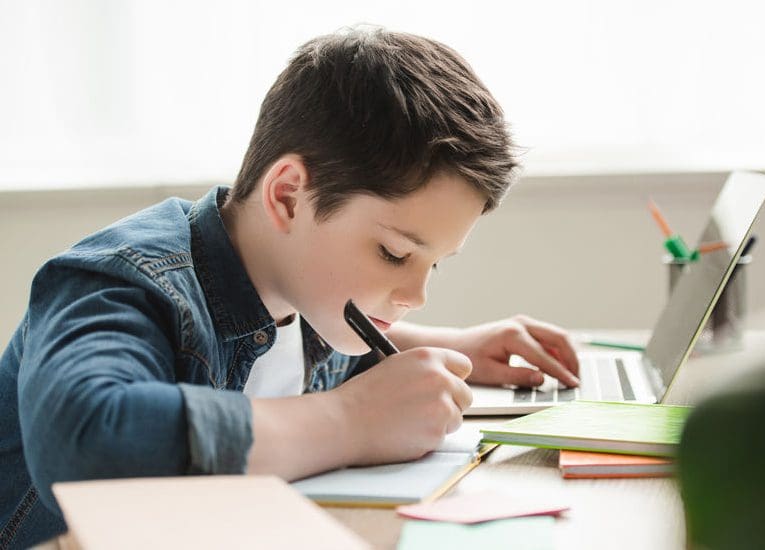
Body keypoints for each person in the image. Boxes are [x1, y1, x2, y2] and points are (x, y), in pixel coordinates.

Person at [0, 26, 579, 548]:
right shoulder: (120, 280)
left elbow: (289, 355)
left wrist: (457, 346)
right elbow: (87, 440)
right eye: (394, 253)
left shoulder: (302, 291)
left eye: (436, 263)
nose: (415, 292)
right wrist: (350, 422)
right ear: (288, 195)